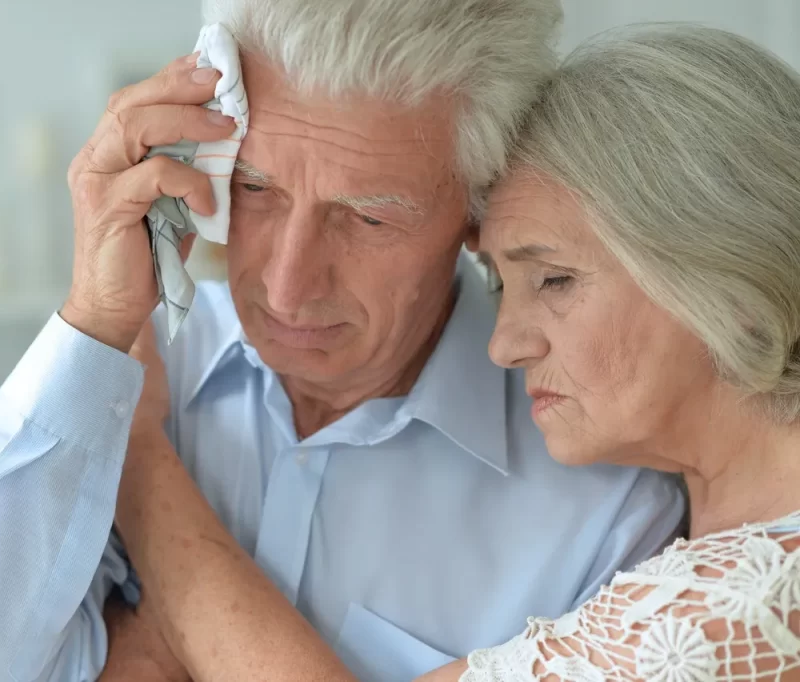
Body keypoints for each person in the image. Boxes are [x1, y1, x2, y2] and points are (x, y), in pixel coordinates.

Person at [0, 2, 685, 681]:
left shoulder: (608, 505)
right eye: (256, 189)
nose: (288, 285)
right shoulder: (113, 375)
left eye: (368, 217)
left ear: (480, 214)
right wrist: (91, 322)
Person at [108, 24, 800, 682]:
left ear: (732, 280)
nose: (504, 344)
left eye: (555, 280)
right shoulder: (709, 539)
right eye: (501, 283)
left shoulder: (746, 606)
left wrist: (134, 447)